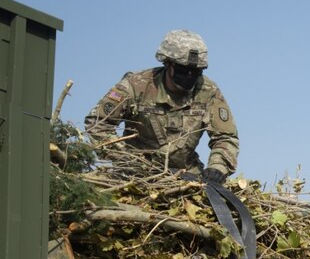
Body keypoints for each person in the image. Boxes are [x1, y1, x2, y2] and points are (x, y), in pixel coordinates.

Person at [85, 30, 239, 184]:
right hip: (133, 175)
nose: (190, 76)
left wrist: (218, 166)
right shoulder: (136, 85)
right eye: (183, 70)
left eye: (196, 72)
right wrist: (125, 159)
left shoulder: (208, 92)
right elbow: (97, 124)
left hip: (187, 178)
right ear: (167, 64)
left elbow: (226, 137)